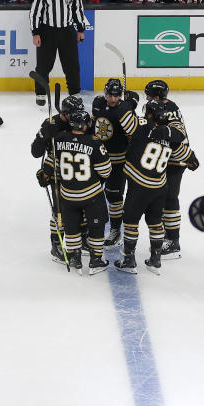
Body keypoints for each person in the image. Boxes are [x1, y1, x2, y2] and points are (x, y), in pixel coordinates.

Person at [116, 101, 189, 274]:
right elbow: (184, 153)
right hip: (159, 187)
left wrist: (128, 103)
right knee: (156, 222)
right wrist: (192, 160)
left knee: (130, 222)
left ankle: (129, 260)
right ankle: (155, 260)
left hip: (139, 186)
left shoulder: (142, 126)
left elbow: (124, 118)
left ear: (149, 114)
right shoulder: (170, 135)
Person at [40, 109, 112, 274]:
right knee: (96, 227)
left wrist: (44, 175)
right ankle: (96, 260)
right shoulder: (94, 143)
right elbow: (106, 171)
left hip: (67, 195)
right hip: (91, 194)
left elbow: (49, 165)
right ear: (85, 125)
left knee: (71, 226)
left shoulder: (58, 140)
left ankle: (75, 257)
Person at [143, 81, 197, 260]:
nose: (147, 98)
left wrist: (188, 156)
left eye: (149, 95)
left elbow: (175, 137)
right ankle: (169, 236)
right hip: (169, 157)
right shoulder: (164, 106)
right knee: (165, 197)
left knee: (170, 198)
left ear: (157, 97)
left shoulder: (168, 110)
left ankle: (173, 240)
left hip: (175, 158)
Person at [32, 95, 86, 262]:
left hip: (77, 172)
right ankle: (56, 243)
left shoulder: (79, 120)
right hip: (56, 172)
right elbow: (35, 152)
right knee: (59, 211)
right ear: (65, 113)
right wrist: (43, 136)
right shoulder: (50, 124)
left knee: (82, 208)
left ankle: (82, 238)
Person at [29, 0, 87, 105]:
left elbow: (78, 9)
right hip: (47, 31)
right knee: (43, 65)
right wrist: (36, 32)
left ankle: (75, 92)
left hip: (67, 31)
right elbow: (35, 12)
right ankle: (41, 93)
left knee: (71, 64)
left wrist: (80, 29)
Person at [92, 78, 140, 248]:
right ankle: (92, 226)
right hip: (98, 159)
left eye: (116, 96)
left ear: (120, 96)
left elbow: (134, 133)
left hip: (118, 162)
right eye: (110, 95)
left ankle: (115, 229)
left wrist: (129, 106)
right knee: (91, 194)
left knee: (114, 197)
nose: (112, 99)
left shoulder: (124, 109)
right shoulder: (97, 103)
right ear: (105, 93)